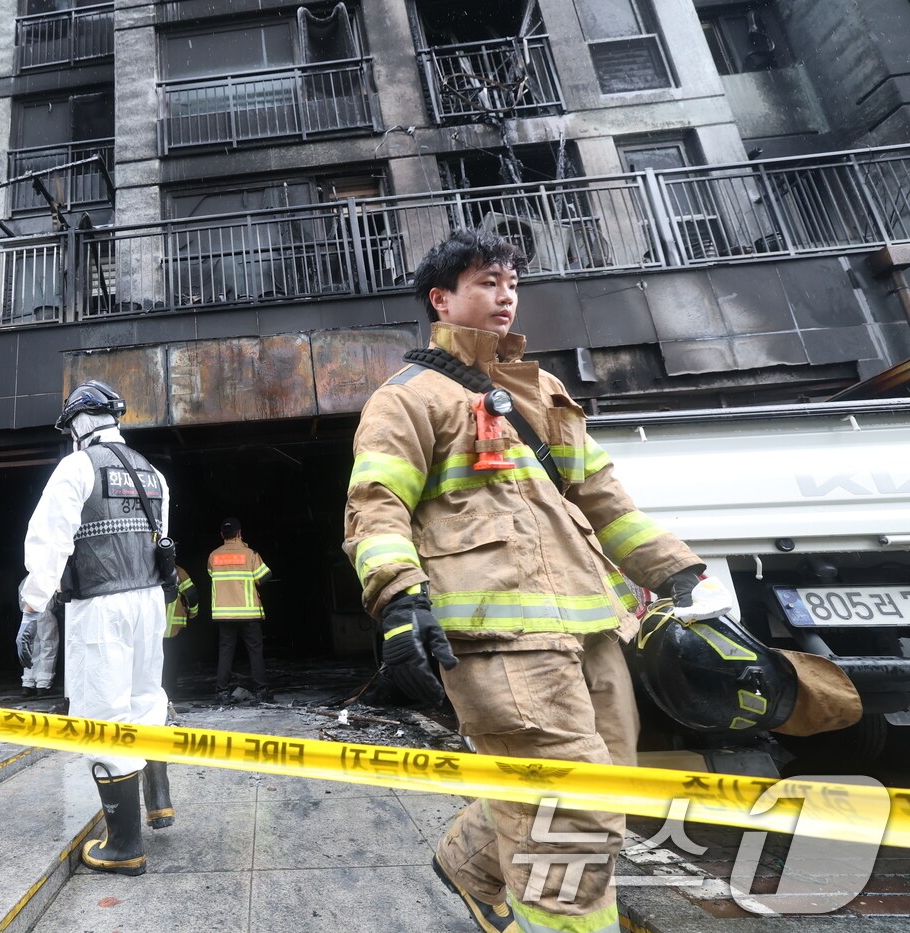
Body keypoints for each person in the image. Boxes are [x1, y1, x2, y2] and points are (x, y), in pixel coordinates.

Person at [343, 229, 714, 933]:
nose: (506, 294)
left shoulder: (542, 389)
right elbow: (376, 503)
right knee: (571, 810)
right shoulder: (409, 397)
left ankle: (471, 863)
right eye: (487, 281)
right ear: (442, 297)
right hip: (497, 637)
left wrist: (672, 566)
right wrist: (399, 599)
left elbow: (601, 492)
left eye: (512, 282)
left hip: (591, 625)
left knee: (606, 783)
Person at [20, 379, 173, 876]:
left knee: (102, 717)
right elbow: (161, 540)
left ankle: (124, 846)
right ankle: (159, 802)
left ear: (79, 423)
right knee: (147, 698)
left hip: (101, 607)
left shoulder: (77, 466)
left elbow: (49, 542)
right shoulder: (153, 473)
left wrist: (32, 609)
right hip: (150, 602)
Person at [207, 518, 273, 704]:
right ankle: (261, 691)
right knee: (255, 652)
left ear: (222, 535)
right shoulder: (250, 554)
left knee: (225, 652)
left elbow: (212, 574)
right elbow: (265, 576)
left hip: (224, 614)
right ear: (239, 533)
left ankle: (221, 693)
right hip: (248, 613)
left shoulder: (213, 556)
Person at [161, 565, 199, 699]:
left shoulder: (143, 570)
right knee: (170, 659)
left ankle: (155, 691)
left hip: (149, 625)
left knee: (151, 659)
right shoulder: (177, 572)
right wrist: (193, 612)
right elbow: (191, 594)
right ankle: (168, 690)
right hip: (172, 625)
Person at [18, 578, 60, 698]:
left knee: (31, 648)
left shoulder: (26, 580)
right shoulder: (49, 578)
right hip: (45, 613)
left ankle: (27, 684)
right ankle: (43, 684)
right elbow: (55, 601)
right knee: (48, 647)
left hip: (27, 615)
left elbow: (21, 602)